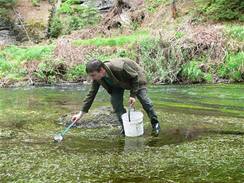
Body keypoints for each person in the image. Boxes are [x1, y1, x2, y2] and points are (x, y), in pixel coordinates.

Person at [71, 58, 160, 136]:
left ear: (101, 70)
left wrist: (133, 95)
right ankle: (125, 128)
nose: (92, 78)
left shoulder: (119, 67)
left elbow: (135, 77)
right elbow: (91, 94)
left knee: (145, 102)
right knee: (116, 104)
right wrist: (80, 114)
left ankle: (155, 123)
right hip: (117, 84)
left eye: (93, 75)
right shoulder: (97, 78)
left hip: (135, 78)